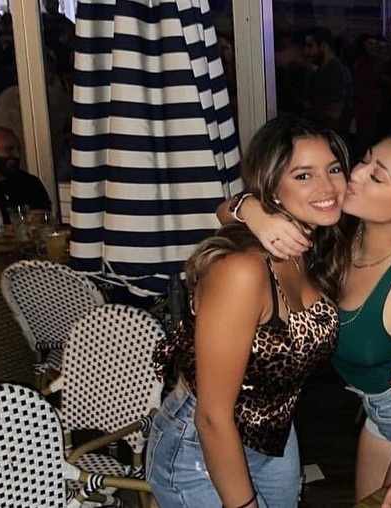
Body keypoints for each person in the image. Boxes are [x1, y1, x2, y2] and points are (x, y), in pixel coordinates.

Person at [228, 126, 391, 507]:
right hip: (380, 415)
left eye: (376, 176)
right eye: (363, 160)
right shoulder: (338, 236)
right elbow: (223, 212)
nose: (355, 175)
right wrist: (251, 210)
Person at [148, 117, 346, 507]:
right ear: (271, 186)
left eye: (334, 169)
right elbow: (212, 415)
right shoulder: (242, 270)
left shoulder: (314, 243)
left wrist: (244, 206)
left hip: (275, 437)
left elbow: (226, 209)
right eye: (303, 175)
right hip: (202, 447)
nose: (327, 187)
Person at [0, 127, 51, 233]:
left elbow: (41, 226)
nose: (16, 155)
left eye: (18, 149)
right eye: (8, 149)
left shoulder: (29, 184)